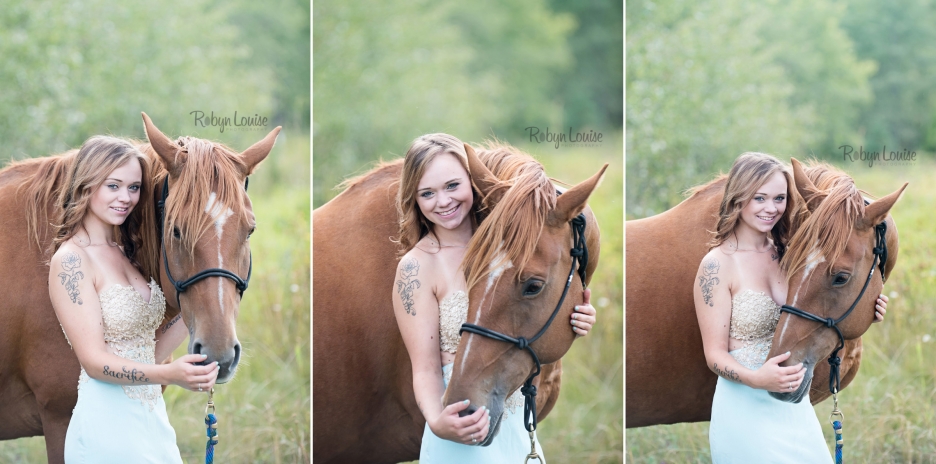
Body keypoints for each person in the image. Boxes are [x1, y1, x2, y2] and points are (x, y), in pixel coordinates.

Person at [391, 133, 598, 463]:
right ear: (414, 199)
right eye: (427, 193)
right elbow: (425, 369)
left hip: (515, 420)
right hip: (463, 416)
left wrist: (578, 316)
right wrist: (438, 421)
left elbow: (530, 303)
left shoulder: (503, 246)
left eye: (452, 186)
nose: (442, 201)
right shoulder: (417, 267)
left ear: (472, 184)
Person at [693, 152, 888, 462]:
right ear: (737, 199)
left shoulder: (791, 256)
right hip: (744, 408)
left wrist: (867, 311)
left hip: (795, 408)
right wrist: (758, 379)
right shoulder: (717, 266)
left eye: (780, 198)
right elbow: (714, 356)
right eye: (760, 198)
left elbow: (818, 307)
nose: (771, 208)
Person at [49, 136, 219, 463]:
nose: (125, 198)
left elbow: (146, 352)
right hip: (106, 427)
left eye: (134, 187)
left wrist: (202, 301)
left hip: (151, 420)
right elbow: (94, 363)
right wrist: (170, 376)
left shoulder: (126, 253)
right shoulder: (71, 260)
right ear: (86, 184)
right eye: (113, 186)